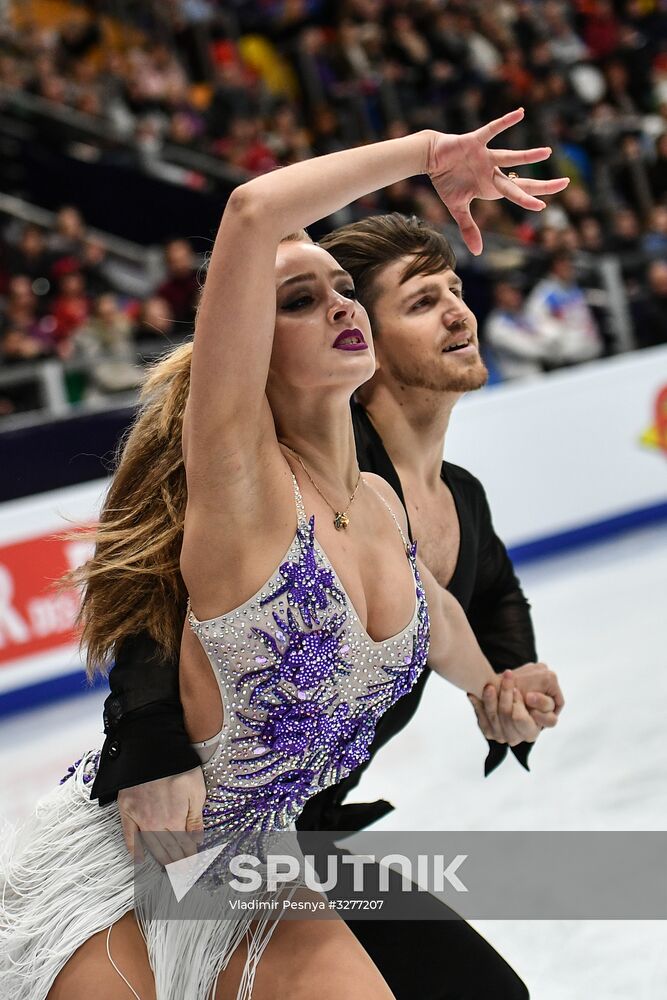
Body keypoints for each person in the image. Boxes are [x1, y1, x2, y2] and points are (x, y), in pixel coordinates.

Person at [1, 111, 566, 1000]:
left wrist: (496, 685)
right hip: (130, 867)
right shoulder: (243, 485)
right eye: (299, 300)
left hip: (264, 861)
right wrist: (427, 155)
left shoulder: (379, 504)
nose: (339, 304)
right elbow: (251, 212)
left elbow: (444, 617)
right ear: (249, 350)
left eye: (343, 288)